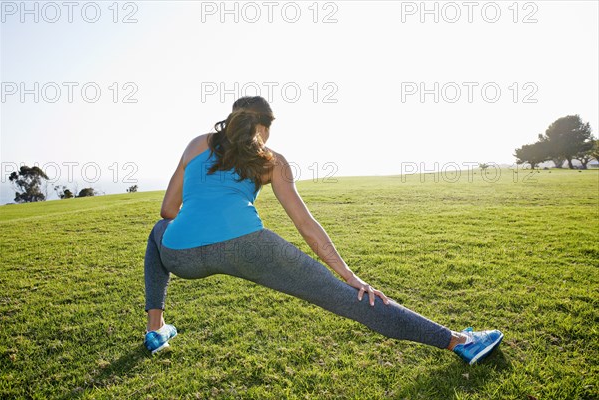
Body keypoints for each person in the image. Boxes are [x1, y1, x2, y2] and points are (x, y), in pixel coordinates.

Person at [143, 96, 503, 365]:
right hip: (250, 246)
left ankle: (156, 330)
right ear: (264, 128)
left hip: (181, 253)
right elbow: (305, 225)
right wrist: (350, 276)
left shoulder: (196, 144)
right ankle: (460, 342)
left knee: (159, 230)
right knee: (347, 298)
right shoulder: (272, 161)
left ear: (231, 119)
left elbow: (168, 210)